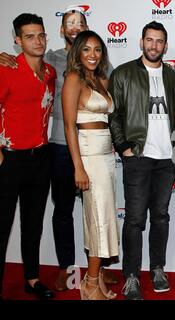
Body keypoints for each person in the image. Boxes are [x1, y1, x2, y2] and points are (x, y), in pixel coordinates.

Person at [0, 6, 118, 291]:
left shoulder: (94, 67)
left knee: (97, 210)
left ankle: (96, 269)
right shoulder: (47, 59)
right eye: (69, 23)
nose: (75, 26)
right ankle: (67, 268)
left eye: (81, 22)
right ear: (63, 30)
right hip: (58, 148)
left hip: (86, 150)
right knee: (63, 209)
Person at [108, 21, 175, 300]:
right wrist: (124, 146)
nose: (154, 46)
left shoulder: (173, 76)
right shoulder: (124, 73)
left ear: (164, 44)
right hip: (137, 157)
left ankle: (158, 268)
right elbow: (113, 113)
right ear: (141, 42)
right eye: (149, 40)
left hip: (165, 159)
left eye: (159, 41)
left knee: (160, 217)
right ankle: (131, 276)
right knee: (135, 219)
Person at [0, 13, 56, 300]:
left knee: (33, 223)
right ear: (17, 40)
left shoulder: (50, 73)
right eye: (30, 36)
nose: (38, 40)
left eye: (41, 34)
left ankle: (31, 279)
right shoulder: (5, 69)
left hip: (41, 158)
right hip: (9, 160)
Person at [62, 30, 119, 300]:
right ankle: (90, 283)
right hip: (88, 155)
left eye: (97, 49)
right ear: (78, 53)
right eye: (86, 49)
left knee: (103, 218)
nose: (92, 54)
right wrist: (78, 167)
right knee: (96, 220)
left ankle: (95, 279)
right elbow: (69, 126)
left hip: (107, 155)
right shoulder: (73, 79)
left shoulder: (101, 79)